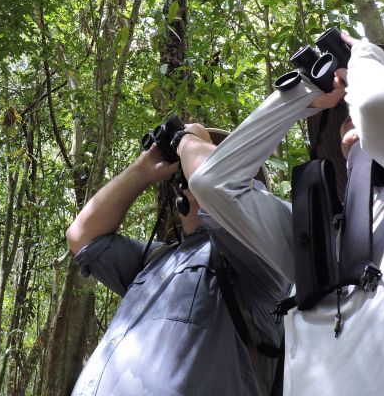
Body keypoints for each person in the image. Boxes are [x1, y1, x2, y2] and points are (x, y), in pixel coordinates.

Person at [177, 34, 384, 395]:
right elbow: (215, 183)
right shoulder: (319, 244)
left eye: (352, 107)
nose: (350, 114)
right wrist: (303, 95)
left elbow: (382, 105)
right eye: (341, 115)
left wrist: (365, 57)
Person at [65, 136, 287, 396]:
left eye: (222, 157)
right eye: (187, 162)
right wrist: (142, 170)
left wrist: (190, 139)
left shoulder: (261, 259)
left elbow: (223, 190)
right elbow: (82, 236)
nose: (194, 167)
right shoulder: (154, 259)